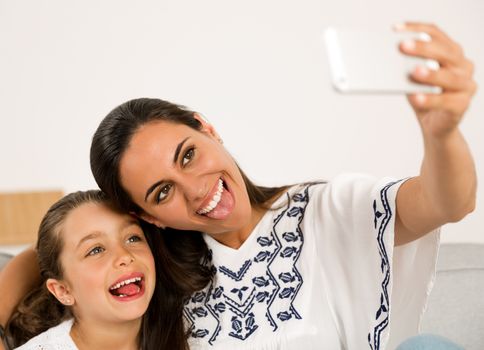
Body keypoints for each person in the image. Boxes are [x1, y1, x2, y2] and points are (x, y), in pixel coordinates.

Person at [0, 22, 477, 349]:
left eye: (188, 155)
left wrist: (441, 133)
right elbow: (47, 252)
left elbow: (446, 203)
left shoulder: (325, 212)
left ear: (207, 127)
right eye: (162, 192)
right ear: (146, 216)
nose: (194, 188)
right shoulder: (154, 267)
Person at [3, 190, 191, 350]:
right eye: (96, 250)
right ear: (63, 290)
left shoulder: (196, 329)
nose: (124, 256)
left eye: (133, 238)